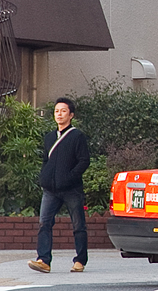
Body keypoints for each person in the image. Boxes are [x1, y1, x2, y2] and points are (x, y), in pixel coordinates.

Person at [27, 98, 91, 273]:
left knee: (78, 225)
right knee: (44, 223)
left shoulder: (77, 136)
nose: (59, 114)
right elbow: (46, 161)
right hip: (50, 190)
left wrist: (70, 177)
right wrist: (45, 177)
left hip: (71, 188)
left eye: (63, 111)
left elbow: (84, 161)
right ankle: (44, 260)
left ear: (71, 115)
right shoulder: (49, 137)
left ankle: (80, 260)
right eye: (56, 111)